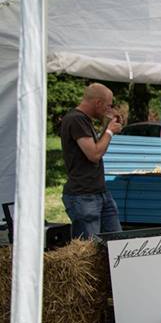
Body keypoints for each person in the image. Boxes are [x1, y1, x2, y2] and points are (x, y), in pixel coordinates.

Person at [59, 83, 125, 238]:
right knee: (90, 251)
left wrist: (107, 126)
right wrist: (110, 131)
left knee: (116, 243)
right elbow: (94, 154)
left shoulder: (84, 120)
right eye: (108, 106)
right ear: (98, 103)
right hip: (83, 195)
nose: (108, 110)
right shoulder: (76, 119)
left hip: (99, 192)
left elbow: (96, 147)